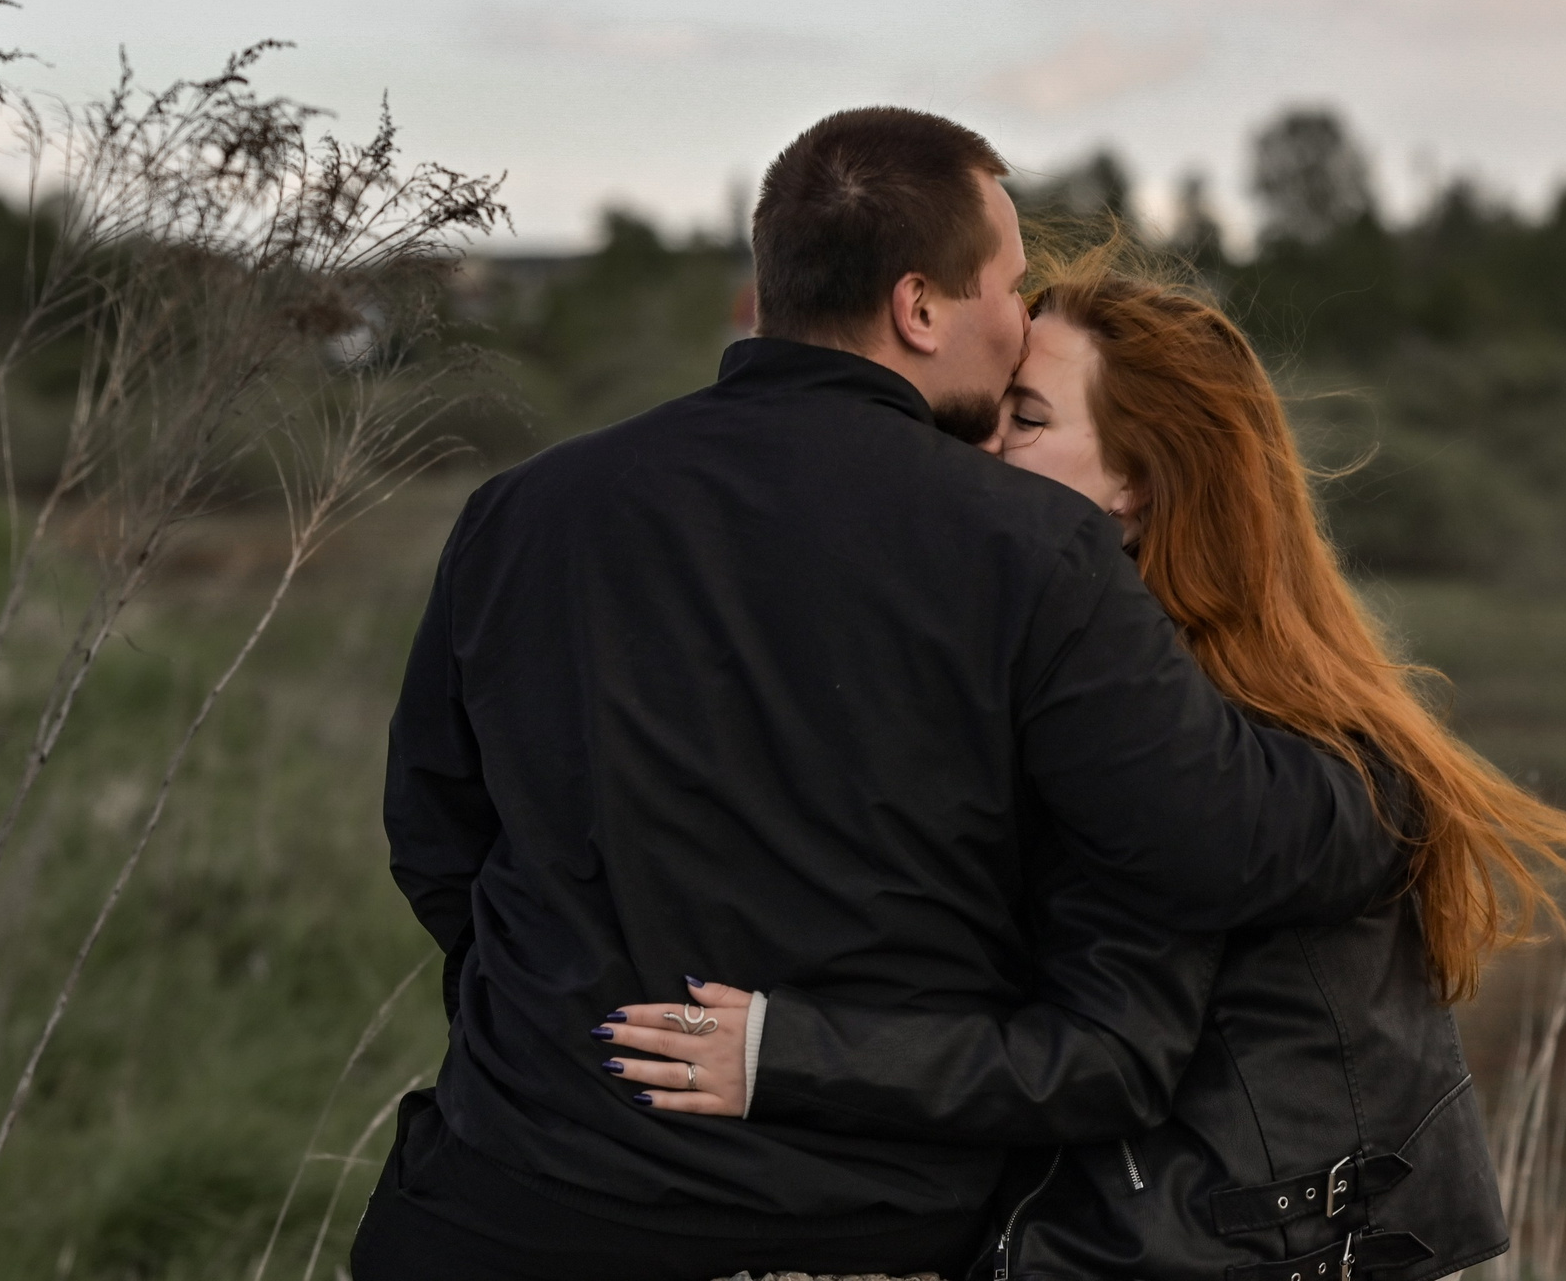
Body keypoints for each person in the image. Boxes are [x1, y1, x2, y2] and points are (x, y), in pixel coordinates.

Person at [356, 112, 1404, 1281]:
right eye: (1008, 287)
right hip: (862, 1230)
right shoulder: (1034, 552)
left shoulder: (524, 510)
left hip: (503, 1214)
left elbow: (437, 844)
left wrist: (561, 1025)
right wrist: (1386, 788)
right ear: (918, 307)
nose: (1018, 325)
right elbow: (1209, 843)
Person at [595, 242, 1566, 1281]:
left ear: (1138, 485)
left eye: (1030, 421)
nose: (978, 449)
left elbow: (1099, 1057)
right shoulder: (1125, 684)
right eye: (985, 413)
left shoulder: (1189, 731)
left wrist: (783, 1053)